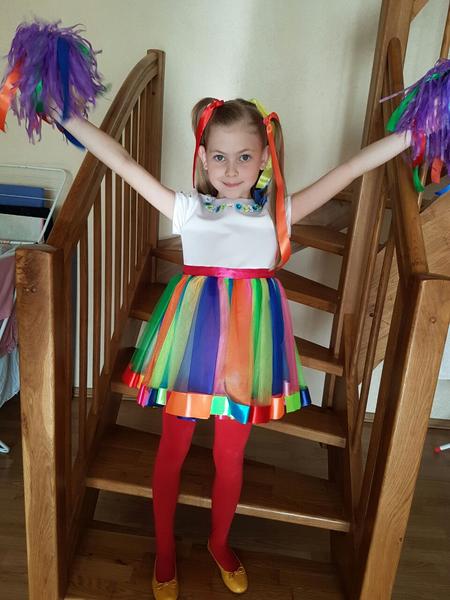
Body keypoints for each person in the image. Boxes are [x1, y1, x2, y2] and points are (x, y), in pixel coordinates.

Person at [52, 97, 411, 599]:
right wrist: (63, 113)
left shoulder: (278, 213)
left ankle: (219, 543)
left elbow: (350, 169)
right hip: (190, 347)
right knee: (171, 450)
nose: (231, 169)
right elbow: (122, 161)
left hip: (248, 351)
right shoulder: (188, 209)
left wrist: (416, 130)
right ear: (202, 158)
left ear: (265, 157)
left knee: (230, 455)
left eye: (244, 156)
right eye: (219, 156)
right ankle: (164, 552)